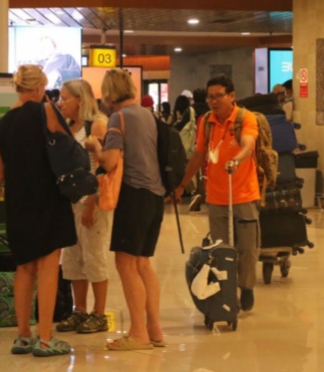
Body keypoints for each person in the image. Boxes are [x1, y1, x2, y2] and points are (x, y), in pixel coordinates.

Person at [0, 65, 76, 357]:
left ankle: (22, 335)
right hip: (48, 196)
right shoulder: (47, 112)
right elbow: (68, 149)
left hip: (18, 200)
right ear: (40, 87)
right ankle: (45, 338)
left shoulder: (3, 123)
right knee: (48, 267)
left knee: (24, 267)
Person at [87, 68, 166, 351]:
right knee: (143, 263)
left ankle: (137, 333)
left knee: (125, 264)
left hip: (133, 195)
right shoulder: (147, 115)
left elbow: (109, 162)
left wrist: (94, 147)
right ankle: (154, 329)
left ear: (108, 93)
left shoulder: (118, 118)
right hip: (155, 195)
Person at [174, 74, 261, 310]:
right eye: (210, 97)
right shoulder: (206, 122)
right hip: (216, 197)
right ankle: (226, 292)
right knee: (221, 250)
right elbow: (199, 155)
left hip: (243, 194)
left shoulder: (245, 118)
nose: (214, 101)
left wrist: (235, 161)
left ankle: (247, 287)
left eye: (219, 96)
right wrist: (182, 184)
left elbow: (247, 147)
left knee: (246, 249)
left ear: (231, 96)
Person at [55, 79, 112, 335]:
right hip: (68, 202)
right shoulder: (66, 126)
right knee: (73, 258)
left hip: (91, 200)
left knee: (94, 255)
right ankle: (80, 309)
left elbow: (104, 166)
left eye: (65, 98)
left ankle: (99, 313)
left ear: (80, 99)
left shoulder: (97, 124)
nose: (60, 102)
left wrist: (93, 202)